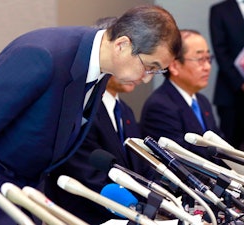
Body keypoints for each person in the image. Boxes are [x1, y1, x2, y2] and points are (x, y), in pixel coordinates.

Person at [0, 5, 181, 225]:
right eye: (150, 66)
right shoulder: (44, 54)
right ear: (123, 44)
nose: (147, 77)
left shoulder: (99, 69)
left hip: (31, 190)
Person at [44, 16, 158, 225]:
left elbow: (139, 166)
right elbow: (85, 173)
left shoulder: (125, 111)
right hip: (85, 216)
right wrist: (136, 209)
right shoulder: (80, 106)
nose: (143, 73)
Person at [140, 29, 223, 163]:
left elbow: (221, 148)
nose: (207, 67)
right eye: (200, 59)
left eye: (208, 58)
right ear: (174, 66)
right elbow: (182, 160)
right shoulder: (160, 106)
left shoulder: (202, 102)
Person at [209, 0, 244, 155]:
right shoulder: (219, 10)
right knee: (228, 151)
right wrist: (242, 84)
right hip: (231, 93)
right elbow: (220, 52)